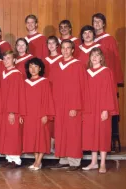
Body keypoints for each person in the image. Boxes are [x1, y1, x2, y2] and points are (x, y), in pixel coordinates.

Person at [48, 40, 88, 172]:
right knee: (60, 132)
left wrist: (76, 107)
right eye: (63, 48)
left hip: (72, 105)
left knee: (73, 133)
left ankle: (75, 161)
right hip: (59, 105)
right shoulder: (56, 66)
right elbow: (52, 87)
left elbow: (82, 88)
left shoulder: (78, 65)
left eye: (68, 48)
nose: (65, 50)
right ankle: (63, 159)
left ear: (72, 50)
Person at [82, 47, 118, 174]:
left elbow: (109, 92)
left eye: (97, 55)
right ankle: (93, 162)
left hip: (102, 108)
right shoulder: (86, 73)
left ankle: (102, 163)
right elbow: (84, 93)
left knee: (102, 134)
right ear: (90, 58)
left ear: (101, 58)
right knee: (92, 134)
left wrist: (106, 109)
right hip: (90, 109)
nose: (95, 57)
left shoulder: (106, 71)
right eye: (93, 55)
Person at [22, 57, 55, 171]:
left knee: (41, 138)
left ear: (40, 68)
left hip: (40, 114)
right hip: (29, 114)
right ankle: (37, 161)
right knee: (33, 138)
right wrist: (22, 114)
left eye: (35, 66)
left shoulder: (45, 82)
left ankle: (38, 161)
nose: (33, 69)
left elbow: (48, 99)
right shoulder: (25, 83)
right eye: (31, 67)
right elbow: (22, 100)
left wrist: (46, 114)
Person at [0, 50, 26, 168]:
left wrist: (12, 112)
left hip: (12, 110)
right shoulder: (3, 73)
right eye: (4, 58)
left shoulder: (16, 74)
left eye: (8, 58)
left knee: (13, 134)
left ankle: (16, 160)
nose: (6, 61)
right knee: (6, 134)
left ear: (14, 60)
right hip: (4, 109)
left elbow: (15, 95)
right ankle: (9, 158)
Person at [92, 13, 123, 84]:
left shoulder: (110, 39)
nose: (97, 23)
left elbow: (114, 60)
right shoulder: (90, 40)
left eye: (99, 21)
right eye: (94, 21)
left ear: (103, 24)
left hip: (104, 75)